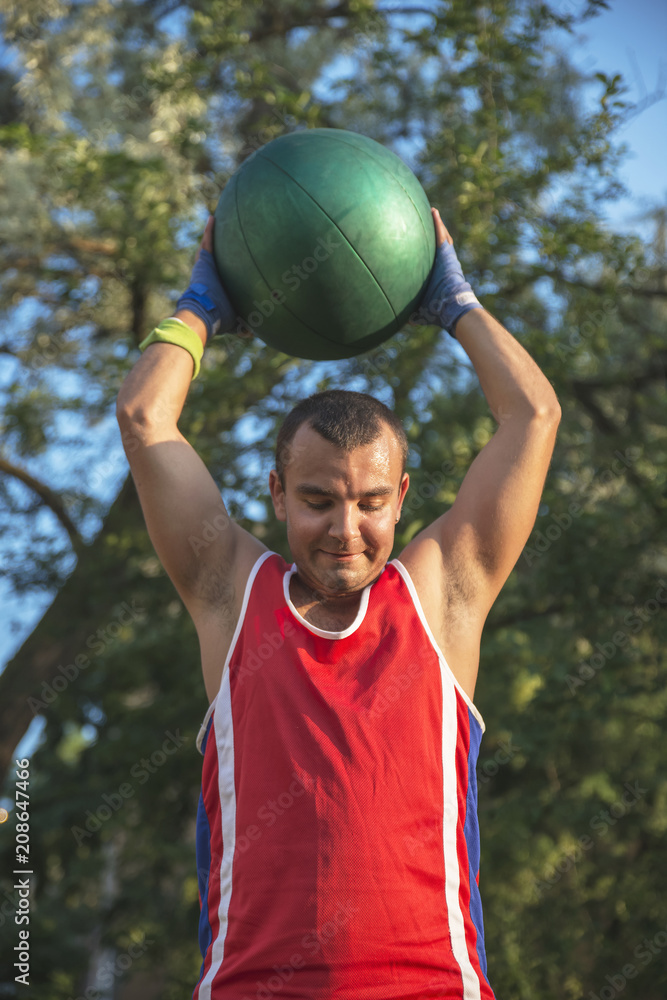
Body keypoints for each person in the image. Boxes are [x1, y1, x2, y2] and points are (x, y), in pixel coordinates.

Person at [116, 207, 561, 1000]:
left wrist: (456, 303)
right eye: (318, 500)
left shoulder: (442, 593)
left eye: (370, 503)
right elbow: (145, 417)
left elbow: (532, 417)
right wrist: (199, 308)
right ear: (277, 494)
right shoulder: (230, 592)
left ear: (401, 499)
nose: (345, 530)